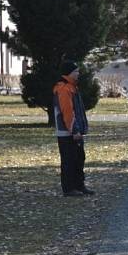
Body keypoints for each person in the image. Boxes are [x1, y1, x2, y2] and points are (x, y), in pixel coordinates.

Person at [53, 61, 94, 197]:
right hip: (67, 133)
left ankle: (79, 185)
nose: (78, 74)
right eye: (76, 71)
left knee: (79, 159)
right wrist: (74, 130)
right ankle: (69, 188)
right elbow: (68, 112)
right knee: (69, 161)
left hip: (73, 131)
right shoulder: (64, 89)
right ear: (69, 73)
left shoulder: (72, 87)